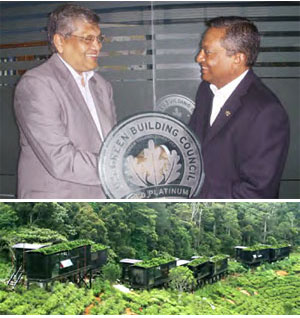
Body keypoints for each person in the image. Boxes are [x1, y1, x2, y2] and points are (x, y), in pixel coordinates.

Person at [14, 4, 117, 198]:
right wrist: (123, 168)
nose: (97, 46)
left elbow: (113, 145)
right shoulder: (37, 84)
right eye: (88, 39)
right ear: (60, 42)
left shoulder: (102, 86)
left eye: (99, 38)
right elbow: (60, 159)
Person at [189, 16, 290, 198]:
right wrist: (163, 154)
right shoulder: (206, 89)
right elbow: (192, 139)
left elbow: (257, 193)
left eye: (207, 51)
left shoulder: (266, 112)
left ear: (237, 58)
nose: (199, 58)